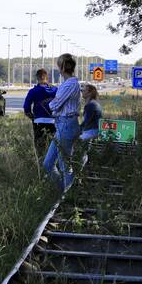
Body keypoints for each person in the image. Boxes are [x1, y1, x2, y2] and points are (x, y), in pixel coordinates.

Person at [43, 53, 81, 190]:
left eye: (59, 66)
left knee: (65, 166)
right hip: (62, 124)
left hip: (66, 124)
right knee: (48, 164)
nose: (58, 69)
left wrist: (48, 105)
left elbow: (55, 105)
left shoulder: (70, 84)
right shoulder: (67, 84)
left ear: (62, 68)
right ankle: (62, 191)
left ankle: (68, 195)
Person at [24, 69, 57, 146]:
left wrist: (32, 117)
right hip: (53, 121)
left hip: (39, 120)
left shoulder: (33, 91)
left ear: (37, 78)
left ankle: (40, 157)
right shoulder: (55, 90)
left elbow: (26, 107)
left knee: (39, 145)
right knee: (54, 145)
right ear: (47, 77)